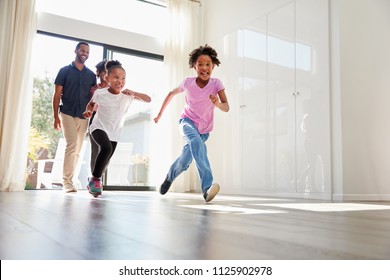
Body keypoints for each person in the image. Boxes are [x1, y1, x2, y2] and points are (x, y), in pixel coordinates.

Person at [154, 44, 229, 202]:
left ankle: (169, 177)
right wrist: (160, 114)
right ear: (194, 66)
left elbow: (226, 107)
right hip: (187, 121)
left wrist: (217, 104)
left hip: (204, 130)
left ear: (213, 66)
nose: (204, 68)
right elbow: (171, 93)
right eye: (200, 64)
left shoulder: (216, 84)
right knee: (195, 142)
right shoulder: (188, 83)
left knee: (185, 159)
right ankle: (207, 188)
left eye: (207, 64)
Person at [83, 60, 151, 197]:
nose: (120, 81)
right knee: (106, 148)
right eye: (116, 77)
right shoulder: (100, 93)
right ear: (107, 78)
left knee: (106, 159)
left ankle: (95, 179)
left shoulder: (126, 96)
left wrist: (133, 92)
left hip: (114, 133)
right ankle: (95, 180)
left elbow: (148, 99)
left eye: (123, 78)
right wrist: (89, 111)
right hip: (97, 127)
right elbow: (91, 105)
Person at [53, 41, 97, 193]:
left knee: (78, 149)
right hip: (67, 112)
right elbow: (57, 95)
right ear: (76, 51)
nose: (85, 53)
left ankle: (72, 179)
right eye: (82, 50)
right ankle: (66, 182)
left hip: (84, 116)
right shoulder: (64, 71)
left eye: (87, 51)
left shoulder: (91, 75)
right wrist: (55, 117)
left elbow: (93, 97)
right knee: (71, 144)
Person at [89, 59, 108, 173]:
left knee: (108, 150)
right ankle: (94, 179)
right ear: (99, 73)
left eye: (108, 72)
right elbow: (89, 105)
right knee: (95, 150)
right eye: (104, 72)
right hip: (94, 118)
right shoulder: (93, 89)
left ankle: (99, 176)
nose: (106, 74)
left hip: (108, 119)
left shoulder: (113, 89)